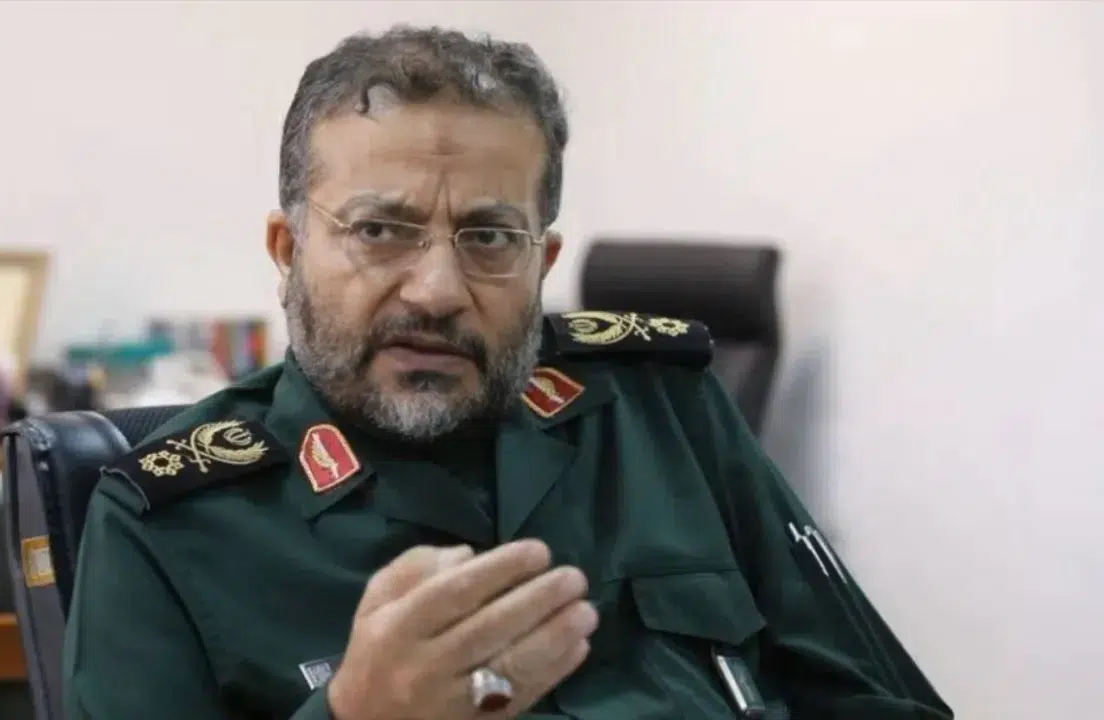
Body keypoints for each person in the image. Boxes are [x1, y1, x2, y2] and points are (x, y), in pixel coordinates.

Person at [64, 26, 953, 720]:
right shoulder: (172, 523)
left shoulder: (662, 413)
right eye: (379, 231)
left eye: (489, 237)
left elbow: (877, 699)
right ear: (288, 249)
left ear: (542, 261)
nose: (438, 290)